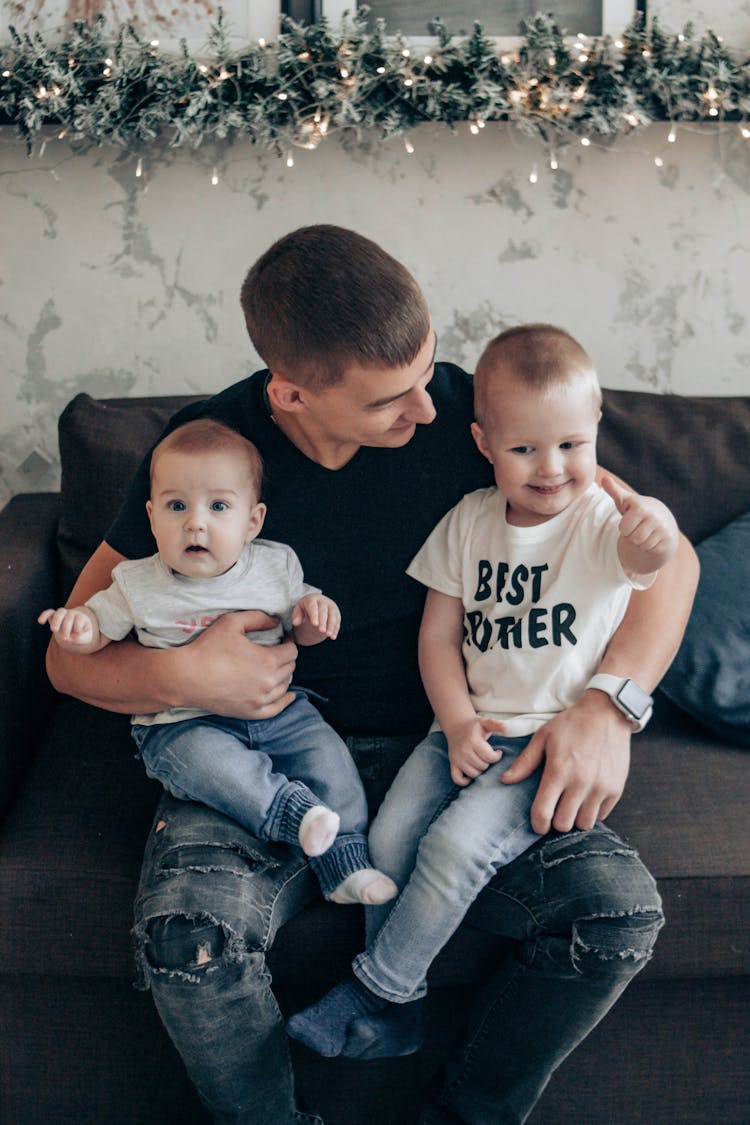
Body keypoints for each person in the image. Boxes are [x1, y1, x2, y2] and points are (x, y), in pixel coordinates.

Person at [46, 225, 698, 1125]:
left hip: (455, 744)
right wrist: (190, 675)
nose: (427, 412)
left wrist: (609, 703)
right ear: (292, 393)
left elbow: (668, 561)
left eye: (428, 376)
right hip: (258, 753)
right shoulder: (204, 458)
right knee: (188, 941)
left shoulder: (481, 418)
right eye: (393, 399)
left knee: (616, 914)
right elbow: (65, 656)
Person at [286, 323, 679, 1058]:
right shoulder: (468, 522)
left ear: (596, 430)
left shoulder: (601, 522)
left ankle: (378, 992)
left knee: (455, 845)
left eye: (570, 444)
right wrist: (458, 723)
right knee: (389, 834)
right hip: (462, 731)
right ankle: (398, 1014)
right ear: (483, 442)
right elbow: (437, 638)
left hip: (544, 741)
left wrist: (652, 532)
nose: (551, 467)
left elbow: (645, 553)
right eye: (524, 448)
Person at [39, 419, 396, 907]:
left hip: (280, 713)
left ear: (253, 520)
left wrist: (314, 617)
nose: (195, 522)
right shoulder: (135, 582)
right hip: (183, 725)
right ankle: (294, 814)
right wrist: (77, 630)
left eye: (219, 506)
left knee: (329, 760)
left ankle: (345, 865)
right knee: (211, 768)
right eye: (176, 506)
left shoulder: (276, 566)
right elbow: (96, 631)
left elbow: (300, 626)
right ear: (150, 515)